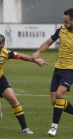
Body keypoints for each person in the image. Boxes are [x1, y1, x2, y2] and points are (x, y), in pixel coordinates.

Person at [31, 8, 73, 137]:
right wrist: (38, 52)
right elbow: (48, 42)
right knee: (55, 101)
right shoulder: (61, 30)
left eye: (67, 22)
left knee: (60, 94)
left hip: (70, 70)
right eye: (64, 22)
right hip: (58, 69)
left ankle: (53, 127)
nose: (65, 24)